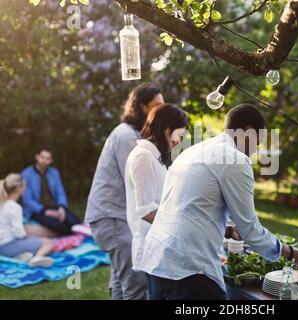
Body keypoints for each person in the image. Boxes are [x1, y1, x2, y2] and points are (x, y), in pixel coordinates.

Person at [142, 104, 298, 300]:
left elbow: (188, 207)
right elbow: (250, 230)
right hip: (189, 270)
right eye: (258, 142)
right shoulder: (235, 160)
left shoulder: (192, 151)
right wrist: (289, 252)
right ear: (247, 132)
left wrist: (228, 229)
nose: (255, 151)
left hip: (155, 261)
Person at [85, 83, 164, 300]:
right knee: (135, 283)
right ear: (142, 106)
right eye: (156, 106)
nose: (161, 111)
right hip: (112, 218)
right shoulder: (128, 137)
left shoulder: (133, 135)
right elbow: (140, 184)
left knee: (121, 283)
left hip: (115, 218)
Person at [125, 103, 188, 298]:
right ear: (167, 130)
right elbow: (145, 211)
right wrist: (184, 224)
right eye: (180, 135)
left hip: (162, 249)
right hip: (154, 251)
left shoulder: (154, 157)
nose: (180, 141)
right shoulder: (143, 157)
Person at [21, 148, 82, 236]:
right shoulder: (26, 174)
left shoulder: (54, 173)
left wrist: (62, 207)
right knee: (60, 226)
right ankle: (69, 235)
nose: (44, 161)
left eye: (47, 158)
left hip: (54, 206)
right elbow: (27, 200)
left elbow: (60, 192)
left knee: (76, 222)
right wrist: (44, 211)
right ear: (37, 157)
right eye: (42, 157)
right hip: (37, 210)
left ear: (51, 161)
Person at [0, 173, 54, 267]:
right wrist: (29, 236)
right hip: (8, 246)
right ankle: (37, 258)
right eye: (24, 185)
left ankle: (21, 256)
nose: (25, 188)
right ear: (19, 188)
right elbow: (18, 233)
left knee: (32, 243)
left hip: (2, 247)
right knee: (47, 242)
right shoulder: (14, 207)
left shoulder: (2, 204)